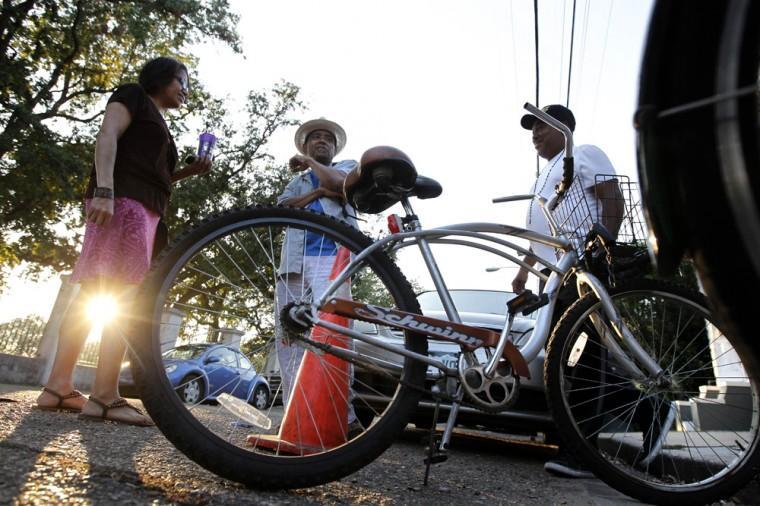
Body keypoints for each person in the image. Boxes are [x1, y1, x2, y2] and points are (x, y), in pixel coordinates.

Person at [35, 57, 213, 426]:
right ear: (161, 78)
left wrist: (185, 172)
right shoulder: (132, 95)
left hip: (138, 206)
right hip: (124, 205)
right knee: (122, 299)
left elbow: (149, 174)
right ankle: (103, 395)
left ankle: (57, 387)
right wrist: (103, 189)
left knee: (91, 296)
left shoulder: (158, 120)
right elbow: (107, 135)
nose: (185, 89)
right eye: (182, 80)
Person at [511, 104, 623, 478]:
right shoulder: (542, 175)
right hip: (553, 273)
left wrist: (605, 241)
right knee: (559, 356)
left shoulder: (583, 153)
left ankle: (583, 452)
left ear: (564, 128)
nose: (534, 135)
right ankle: (629, 409)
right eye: (531, 130)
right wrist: (523, 273)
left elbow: (611, 196)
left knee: (590, 355)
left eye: (541, 126)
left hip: (584, 265)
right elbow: (538, 232)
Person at [275, 117, 361, 431]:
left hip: (333, 257)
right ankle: (293, 415)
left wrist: (314, 169)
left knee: (335, 332)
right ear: (305, 144)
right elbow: (284, 209)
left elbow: (340, 185)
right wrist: (316, 193)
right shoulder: (298, 181)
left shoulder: (349, 165)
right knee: (289, 335)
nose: (322, 141)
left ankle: (344, 416)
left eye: (327, 139)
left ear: (335, 147)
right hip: (294, 261)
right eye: (315, 139)